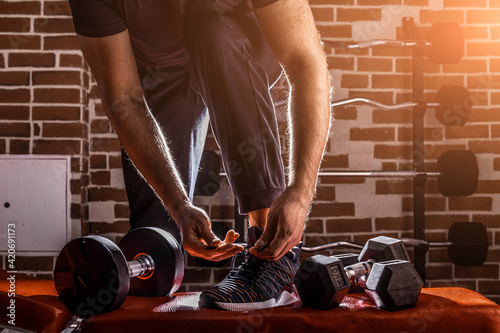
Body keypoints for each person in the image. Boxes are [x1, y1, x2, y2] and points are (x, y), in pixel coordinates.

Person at [67, 0, 330, 311]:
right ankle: (162, 251)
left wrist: (300, 192)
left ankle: (272, 249)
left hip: (235, 49)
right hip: (165, 75)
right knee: (155, 237)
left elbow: (305, 61)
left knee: (213, 33)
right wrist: (178, 207)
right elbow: (124, 99)